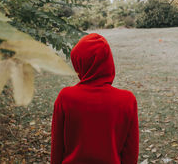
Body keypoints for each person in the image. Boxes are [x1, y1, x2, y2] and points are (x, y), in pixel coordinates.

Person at [51, 33, 139, 164]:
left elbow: (57, 147)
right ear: (108, 62)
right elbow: (130, 153)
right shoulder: (127, 100)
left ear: (80, 63)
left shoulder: (66, 98)